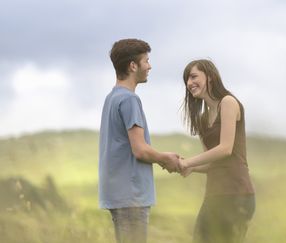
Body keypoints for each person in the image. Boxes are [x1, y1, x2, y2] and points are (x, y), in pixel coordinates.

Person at [99, 38, 181, 243]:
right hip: (132, 196)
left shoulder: (112, 98)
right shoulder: (129, 99)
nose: (149, 66)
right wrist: (166, 158)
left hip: (119, 194)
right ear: (133, 65)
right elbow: (140, 150)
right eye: (146, 61)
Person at [179, 59, 255, 243]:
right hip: (214, 195)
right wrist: (191, 167)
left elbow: (225, 148)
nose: (189, 83)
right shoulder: (203, 119)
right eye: (187, 80)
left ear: (210, 77)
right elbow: (212, 162)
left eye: (193, 76)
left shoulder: (228, 102)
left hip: (236, 194)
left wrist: (189, 162)